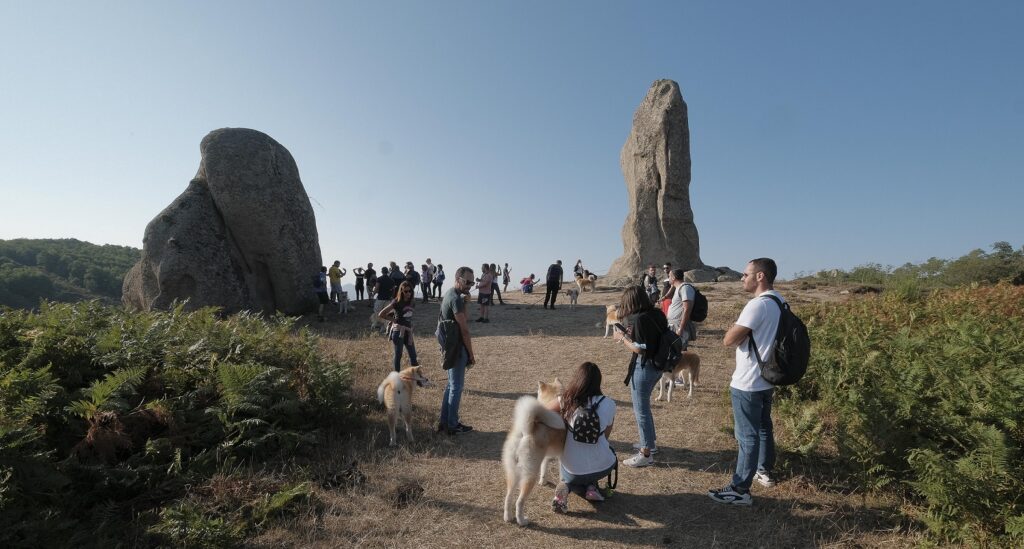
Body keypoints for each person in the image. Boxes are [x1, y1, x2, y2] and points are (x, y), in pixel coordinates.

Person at [708, 258, 782, 505]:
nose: (742, 278)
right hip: (767, 377)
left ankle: (740, 489)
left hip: (748, 380)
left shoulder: (757, 305)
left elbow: (728, 340)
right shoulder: (780, 301)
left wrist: (735, 328)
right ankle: (764, 471)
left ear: (760, 276)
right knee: (763, 427)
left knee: (747, 435)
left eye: (745, 274)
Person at [551, 362, 616, 513]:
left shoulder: (566, 400)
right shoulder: (609, 403)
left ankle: (565, 487)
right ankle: (591, 487)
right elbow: (606, 436)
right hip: (603, 467)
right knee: (598, 453)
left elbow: (542, 410)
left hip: (572, 470)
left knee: (571, 470)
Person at [613, 285, 666, 467]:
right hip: (658, 366)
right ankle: (650, 444)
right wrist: (631, 333)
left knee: (641, 411)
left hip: (644, 367)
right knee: (644, 408)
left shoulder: (641, 319)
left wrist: (623, 338)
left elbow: (640, 349)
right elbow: (651, 338)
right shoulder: (657, 313)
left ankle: (645, 453)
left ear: (632, 302)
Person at [436, 267, 477, 435]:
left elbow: (463, 317)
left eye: (472, 282)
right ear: (458, 279)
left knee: (451, 386)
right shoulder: (455, 298)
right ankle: (452, 425)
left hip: (450, 346)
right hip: (456, 348)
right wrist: (471, 354)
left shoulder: (451, 294)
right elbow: (464, 329)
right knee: (456, 387)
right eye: (467, 282)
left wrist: (466, 301)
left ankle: (444, 422)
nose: (470, 285)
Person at [378, 281, 419, 372]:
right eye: (406, 291)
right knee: (398, 355)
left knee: (413, 355)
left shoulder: (412, 302)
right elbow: (381, 314)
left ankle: (417, 378)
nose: (408, 293)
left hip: (408, 332)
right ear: (401, 291)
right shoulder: (396, 302)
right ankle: (397, 377)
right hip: (398, 332)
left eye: (410, 291)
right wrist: (394, 320)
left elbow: (408, 316)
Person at [371, 266, 396, 331]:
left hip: (380, 298)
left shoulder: (379, 279)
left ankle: (376, 324)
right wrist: (391, 296)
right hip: (388, 298)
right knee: (387, 313)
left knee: (377, 312)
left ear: (382, 272)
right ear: (387, 271)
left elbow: (376, 288)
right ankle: (384, 327)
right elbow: (393, 290)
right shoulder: (391, 280)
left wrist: (373, 294)